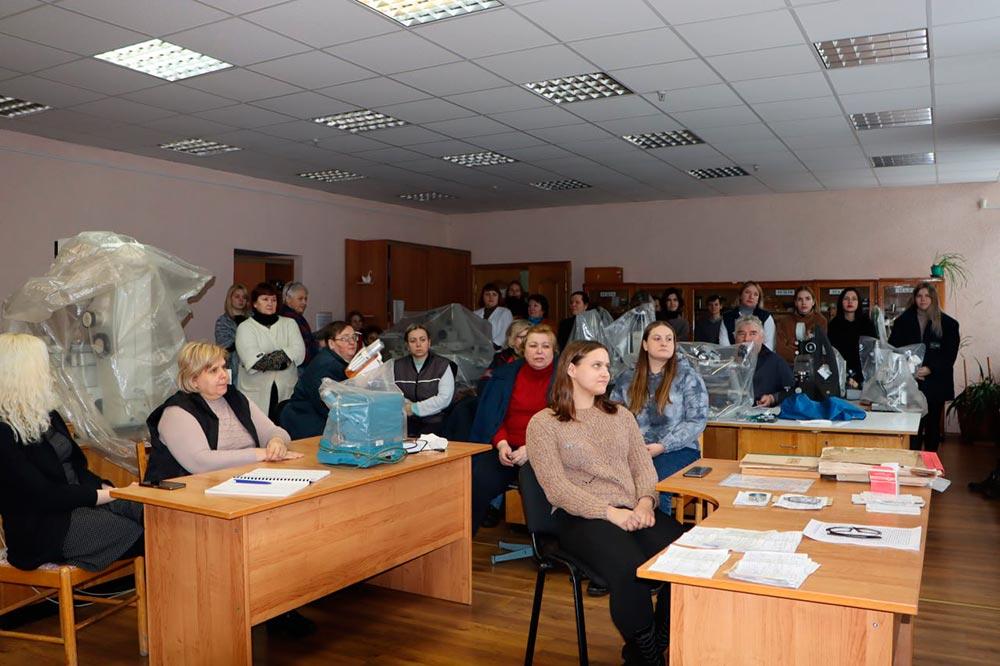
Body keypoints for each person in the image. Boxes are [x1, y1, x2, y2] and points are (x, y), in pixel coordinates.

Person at [527, 340, 685, 666]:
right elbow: (557, 489)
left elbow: (643, 467)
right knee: (630, 570)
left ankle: (653, 644)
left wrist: (645, 502)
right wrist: (609, 513)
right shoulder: (544, 423)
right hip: (579, 517)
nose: (606, 373)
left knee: (686, 556)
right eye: (596, 365)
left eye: (607, 366)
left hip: (631, 509)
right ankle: (649, 657)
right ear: (572, 369)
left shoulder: (620, 415)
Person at [0, 333, 144, 572]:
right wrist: (107, 495)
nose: (49, 372)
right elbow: (43, 495)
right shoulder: (4, 432)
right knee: (141, 532)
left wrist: (110, 490)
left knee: (150, 513)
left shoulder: (48, 415)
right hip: (44, 529)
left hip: (79, 504)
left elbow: (77, 467)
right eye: (43, 365)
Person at [145, 341, 301, 484]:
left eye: (224, 367)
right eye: (213, 371)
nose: (224, 375)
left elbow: (274, 431)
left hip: (237, 483)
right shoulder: (176, 413)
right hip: (182, 495)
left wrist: (277, 442)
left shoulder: (235, 398)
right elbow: (201, 463)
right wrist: (261, 454)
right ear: (193, 380)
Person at [611, 322, 708, 514]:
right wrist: (631, 447)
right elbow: (613, 416)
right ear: (645, 344)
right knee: (615, 480)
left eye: (669, 339)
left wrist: (664, 445)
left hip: (678, 449)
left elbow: (697, 420)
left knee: (654, 483)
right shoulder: (627, 377)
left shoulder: (688, 376)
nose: (664, 343)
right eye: (657, 338)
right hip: (635, 450)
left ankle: (658, 530)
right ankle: (628, 526)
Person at [468, 324, 557, 533]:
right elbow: (493, 416)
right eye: (533, 346)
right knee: (477, 480)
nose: (539, 351)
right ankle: (462, 541)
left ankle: (546, 544)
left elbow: (565, 423)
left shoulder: (565, 379)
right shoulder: (505, 376)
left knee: (535, 484)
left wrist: (532, 449)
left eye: (545, 346)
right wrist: (501, 444)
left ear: (554, 350)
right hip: (507, 448)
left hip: (546, 450)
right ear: (523, 349)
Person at [888, 282, 960, 452]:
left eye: (927, 296)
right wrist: (909, 370)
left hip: (936, 382)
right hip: (909, 383)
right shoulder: (902, 321)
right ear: (914, 298)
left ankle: (929, 463)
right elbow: (894, 350)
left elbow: (949, 355)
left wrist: (930, 368)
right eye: (919, 296)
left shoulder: (948, 324)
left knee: (932, 427)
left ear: (933, 298)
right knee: (912, 427)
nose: (923, 299)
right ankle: (912, 463)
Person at [235, 283, 306, 420]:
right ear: (255, 303)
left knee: (285, 428)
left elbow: (299, 353)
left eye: (273, 300)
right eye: (265, 299)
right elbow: (257, 362)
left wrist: (269, 357)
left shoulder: (290, 324)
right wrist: (285, 357)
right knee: (259, 429)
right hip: (256, 393)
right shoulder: (245, 327)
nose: (270, 303)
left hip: (286, 391)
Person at [281, 322, 357, 440]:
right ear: (331, 344)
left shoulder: (336, 361)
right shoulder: (328, 365)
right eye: (345, 338)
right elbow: (328, 405)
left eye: (354, 337)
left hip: (315, 419)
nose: (352, 342)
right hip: (306, 422)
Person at [393, 324, 456, 437]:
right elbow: (391, 392)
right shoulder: (397, 366)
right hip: (405, 420)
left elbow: (444, 398)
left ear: (429, 342)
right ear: (407, 345)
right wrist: (406, 405)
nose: (418, 344)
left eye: (422, 340)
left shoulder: (443, 365)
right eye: (413, 341)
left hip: (435, 421)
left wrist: (414, 408)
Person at [735, 315, 793, 407]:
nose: (746, 339)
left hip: (763, 412)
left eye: (753, 334)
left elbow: (792, 391)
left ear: (762, 337)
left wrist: (772, 398)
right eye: (741, 334)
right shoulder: (728, 362)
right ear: (735, 337)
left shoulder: (776, 362)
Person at [827, 287, 878, 388]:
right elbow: (831, 351)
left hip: (863, 371)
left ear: (858, 302)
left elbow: (873, 348)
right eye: (846, 299)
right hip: (840, 371)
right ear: (841, 302)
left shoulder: (867, 323)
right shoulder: (834, 324)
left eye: (854, 299)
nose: (850, 302)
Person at [775, 286, 829, 364]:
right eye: (800, 299)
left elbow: (819, 349)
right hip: (789, 365)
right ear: (795, 303)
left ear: (813, 302)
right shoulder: (785, 321)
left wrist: (792, 345)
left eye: (807, 299)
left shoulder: (820, 320)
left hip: (813, 365)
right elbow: (780, 349)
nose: (804, 303)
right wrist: (802, 350)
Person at [720, 281, 776, 351]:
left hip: (761, 356)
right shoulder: (727, 317)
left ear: (758, 299)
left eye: (755, 294)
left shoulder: (766, 317)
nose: (751, 297)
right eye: (747, 292)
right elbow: (724, 346)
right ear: (740, 296)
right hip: (733, 356)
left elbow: (769, 346)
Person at [479, 318, 532, 392]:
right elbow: (485, 384)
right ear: (512, 338)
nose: (526, 341)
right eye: (522, 337)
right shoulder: (501, 357)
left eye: (529, 337)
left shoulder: (535, 358)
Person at [215, 283, 249, 386]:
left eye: (244, 297)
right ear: (230, 299)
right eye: (237, 297)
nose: (241, 300)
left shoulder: (253, 319)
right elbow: (224, 346)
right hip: (231, 367)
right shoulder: (222, 321)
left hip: (250, 367)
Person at [279, 282, 318, 370]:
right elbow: (302, 345)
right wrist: (319, 345)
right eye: (300, 299)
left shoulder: (295, 316)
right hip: (298, 367)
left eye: (305, 299)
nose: (304, 303)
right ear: (288, 299)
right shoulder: (289, 318)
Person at [474, 283, 514, 349]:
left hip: (497, 350)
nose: (491, 297)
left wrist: (490, 346)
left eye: (494, 294)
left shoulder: (505, 312)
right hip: (477, 349)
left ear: (498, 297)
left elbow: (504, 334)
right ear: (482, 297)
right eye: (487, 294)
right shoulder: (475, 313)